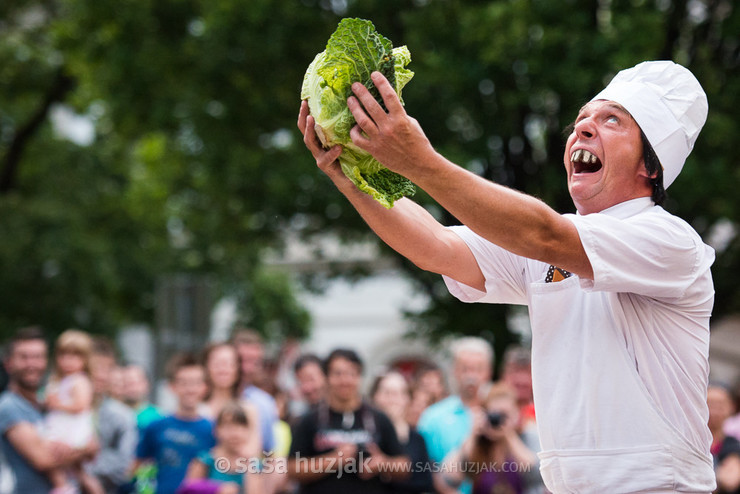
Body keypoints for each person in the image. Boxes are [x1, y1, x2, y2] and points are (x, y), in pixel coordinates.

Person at [299, 59, 715, 492]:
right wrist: (352, 176)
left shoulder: (667, 239)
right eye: (581, 120)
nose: (583, 129)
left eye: (612, 120)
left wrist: (419, 162)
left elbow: (542, 232)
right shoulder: (549, 244)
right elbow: (436, 247)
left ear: (651, 166)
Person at [287, 348, 410, 493]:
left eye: (351, 374)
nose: (345, 380)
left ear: (360, 377)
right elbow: (292, 469)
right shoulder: (310, 420)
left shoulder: (378, 419)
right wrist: (333, 460)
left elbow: (405, 466)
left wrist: (383, 462)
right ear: (326, 378)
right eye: (338, 374)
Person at [0, 326, 98, 494]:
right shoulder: (9, 406)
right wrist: (84, 449)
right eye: (24, 357)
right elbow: (44, 459)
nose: (32, 364)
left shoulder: (45, 402)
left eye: (38, 357)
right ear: (9, 364)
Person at [416, 337, 493, 494]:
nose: (471, 376)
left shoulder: (498, 414)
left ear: (488, 372)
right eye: (465, 368)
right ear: (454, 371)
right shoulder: (432, 417)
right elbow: (424, 467)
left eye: (478, 369)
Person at [135, 352, 215, 494]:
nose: (190, 389)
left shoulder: (213, 430)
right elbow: (137, 466)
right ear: (172, 386)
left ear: (205, 387)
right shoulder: (156, 426)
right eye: (183, 383)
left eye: (196, 383)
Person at [441, 383, 539, 494]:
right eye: (495, 414)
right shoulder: (477, 444)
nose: (499, 420)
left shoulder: (526, 438)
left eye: (505, 414)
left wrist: (509, 434)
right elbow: (449, 478)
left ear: (516, 414)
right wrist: (473, 435)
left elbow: (537, 475)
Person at [44, 329, 103, 494]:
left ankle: (64, 487)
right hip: (64, 427)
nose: (67, 361)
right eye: (63, 355)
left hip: (72, 431)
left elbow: (81, 406)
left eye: (74, 356)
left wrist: (57, 405)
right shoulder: (61, 380)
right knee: (75, 472)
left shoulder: (80, 380)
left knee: (61, 462)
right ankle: (63, 486)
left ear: (85, 359)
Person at [86, 336, 139, 493]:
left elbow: (124, 464)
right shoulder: (60, 406)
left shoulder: (122, 416)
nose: (101, 375)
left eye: (108, 368)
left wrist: (84, 469)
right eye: (96, 367)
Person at [370, 370, 434, 494]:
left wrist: (386, 465)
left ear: (407, 399)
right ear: (375, 396)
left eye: (399, 393)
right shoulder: (367, 435)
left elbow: (425, 482)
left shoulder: (417, 439)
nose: (393, 399)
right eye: (387, 393)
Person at [180, 401, 263, 494]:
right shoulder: (205, 460)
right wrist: (216, 489)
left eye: (242, 427)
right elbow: (188, 488)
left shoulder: (254, 464)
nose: (236, 434)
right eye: (229, 427)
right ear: (217, 429)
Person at [199, 342, 262, 458]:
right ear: (206, 367)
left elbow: (252, 453)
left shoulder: (248, 409)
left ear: (238, 369)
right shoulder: (196, 408)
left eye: (229, 364)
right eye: (217, 364)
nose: (223, 369)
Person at [230, 329, 279, 455]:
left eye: (254, 361)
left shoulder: (265, 403)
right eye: (242, 360)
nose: (247, 368)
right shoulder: (210, 398)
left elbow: (269, 452)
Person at [708, 383, 740, 494]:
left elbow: (730, 480)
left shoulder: (733, 446)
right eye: (710, 404)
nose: (714, 411)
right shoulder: (691, 442)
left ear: (731, 407)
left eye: (720, 405)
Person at [500, 346, 536, 432]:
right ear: (503, 375)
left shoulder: (544, 414)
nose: (521, 380)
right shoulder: (488, 408)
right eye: (515, 371)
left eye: (527, 372)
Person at [122, 363, 163, 432]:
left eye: (135, 382)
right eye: (127, 382)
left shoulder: (158, 417)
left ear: (147, 384)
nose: (132, 388)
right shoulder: (111, 414)